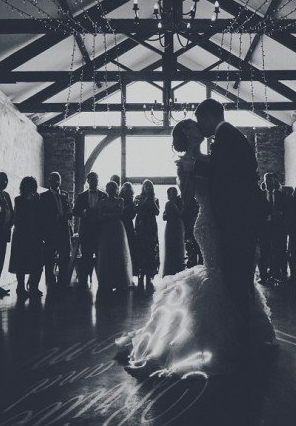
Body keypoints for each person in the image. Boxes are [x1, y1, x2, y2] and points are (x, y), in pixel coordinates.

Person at [116, 118, 275, 377]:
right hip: (208, 223)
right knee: (216, 272)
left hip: (226, 220)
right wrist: (188, 174)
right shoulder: (184, 163)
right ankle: (205, 341)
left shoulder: (214, 156)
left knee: (228, 272)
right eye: (192, 126)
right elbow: (187, 200)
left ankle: (241, 334)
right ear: (186, 135)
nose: (198, 128)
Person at [9, 177, 43, 298]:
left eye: (31, 185)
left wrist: (35, 202)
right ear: (23, 187)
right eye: (27, 185)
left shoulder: (39, 198)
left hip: (36, 235)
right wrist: (30, 202)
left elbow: (41, 216)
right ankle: (20, 287)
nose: (29, 187)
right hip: (22, 235)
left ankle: (34, 286)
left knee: (37, 263)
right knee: (21, 263)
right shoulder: (18, 199)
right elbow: (18, 216)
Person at [97, 181, 134, 291]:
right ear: (106, 190)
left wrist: (107, 215)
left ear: (117, 190)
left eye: (114, 188)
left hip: (118, 228)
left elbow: (120, 214)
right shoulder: (102, 202)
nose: (111, 190)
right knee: (107, 252)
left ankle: (119, 281)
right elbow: (100, 216)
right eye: (109, 188)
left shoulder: (121, 200)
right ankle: (106, 281)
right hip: (106, 229)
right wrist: (111, 215)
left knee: (118, 252)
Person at [73, 172, 107, 288]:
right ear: (88, 181)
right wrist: (83, 212)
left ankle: (102, 281)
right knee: (86, 256)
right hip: (86, 231)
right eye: (92, 180)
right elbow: (75, 211)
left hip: (100, 231)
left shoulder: (104, 195)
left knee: (100, 256)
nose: (94, 181)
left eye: (96, 179)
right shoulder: (81, 196)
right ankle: (84, 281)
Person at [40, 172, 72, 291]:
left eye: (58, 179)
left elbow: (68, 208)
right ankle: (50, 282)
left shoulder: (64, 195)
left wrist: (69, 214)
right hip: (51, 231)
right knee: (49, 258)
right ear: (49, 180)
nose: (56, 182)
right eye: (54, 179)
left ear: (60, 181)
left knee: (65, 256)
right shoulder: (43, 196)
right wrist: (56, 218)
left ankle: (63, 281)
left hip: (64, 230)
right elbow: (42, 215)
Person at [258, 173, 288, 284]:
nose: (269, 183)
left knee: (278, 252)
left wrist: (279, 215)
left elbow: (286, 211)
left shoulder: (281, 195)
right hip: (264, 229)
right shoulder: (260, 195)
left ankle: (278, 275)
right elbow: (257, 211)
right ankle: (263, 276)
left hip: (278, 229)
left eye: (271, 181)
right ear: (264, 182)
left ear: (274, 182)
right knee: (264, 252)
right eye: (267, 181)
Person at [134, 180, 160, 289]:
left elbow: (157, 212)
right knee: (140, 250)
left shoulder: (155, 199)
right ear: (143, 187)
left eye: (150, 186)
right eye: (146, 186)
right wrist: (145, 200)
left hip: (151, 227)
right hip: (141, 226)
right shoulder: (138, 197)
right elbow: (137, 209)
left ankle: (149, 275)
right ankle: (141, 274)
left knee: (151, 250)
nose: (148, 188)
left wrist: (151, 200)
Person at [162, 186, 185, 276]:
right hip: (172, 227)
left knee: (178, 247)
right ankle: (171, 270)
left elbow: (165, 216)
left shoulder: (178, 202)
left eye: (175, 191)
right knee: (171, 247)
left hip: (178, 226)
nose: (175, 193)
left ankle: (177, 268)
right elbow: (166, 216)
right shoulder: (169, 204)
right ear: (169, 195)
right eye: (172, 192)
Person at [120, 182, 138, 268]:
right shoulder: (119, 200)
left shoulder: (132, 202)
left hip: (128, 225)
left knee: (130, 247)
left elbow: (133, 215)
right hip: (120, 225)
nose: (127, 192)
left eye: (128, 191)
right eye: (125, 190)